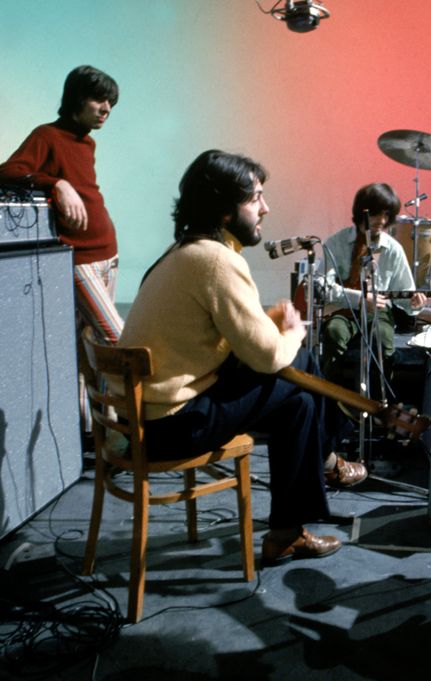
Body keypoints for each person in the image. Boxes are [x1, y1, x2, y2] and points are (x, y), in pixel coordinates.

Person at [117, 150, 363, 565]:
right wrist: (293, 332)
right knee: (299, 363)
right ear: (224, 209)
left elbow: (221, 338)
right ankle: (328, 458)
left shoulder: (182, 252)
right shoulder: (217, 261)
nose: (265, 208)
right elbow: (267, 358)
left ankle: (286, 533)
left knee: (300, 404)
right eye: (255, 198)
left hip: (147, 419)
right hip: (175, 425)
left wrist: (268, 325)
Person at [0, 65, 124, 346]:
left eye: (110, 103)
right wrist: (57, 184)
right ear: (77, 99)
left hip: (108, 253)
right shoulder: (47, 135)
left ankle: (91, 393)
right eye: (98, 100)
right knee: (117, 341)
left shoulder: (88, 142)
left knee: (88, 347)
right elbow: (6, 173)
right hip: (80, 257)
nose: (106, 109)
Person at [319, 183, 427, 389]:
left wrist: (415, 303)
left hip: (379, 311)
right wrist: (358, 299)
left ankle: (379, 407)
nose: (383, 221)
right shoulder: (336, 242)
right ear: (362, 212)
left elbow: (405, 294)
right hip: (344, 309)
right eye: (377, 214)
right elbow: (322, 285)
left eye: (387, 215)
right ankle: (331, 401)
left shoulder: (393, 249)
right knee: (333, 333)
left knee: (383, 340)